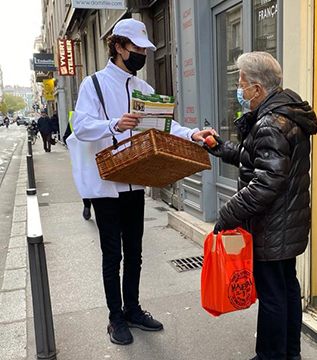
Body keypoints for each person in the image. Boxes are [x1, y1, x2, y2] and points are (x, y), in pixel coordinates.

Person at [69, 18, 215, 346]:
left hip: (136, 181)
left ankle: (133, 309)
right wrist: (114, 125)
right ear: (119, 47)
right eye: (136, 49)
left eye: (144, 50)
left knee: (134, 251)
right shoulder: (92, 85)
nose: (142, 55)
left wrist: (193, 133)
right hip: (106, 184)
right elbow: (80, 127)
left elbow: (165, 126)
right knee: (112, 254)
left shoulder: (143, 89)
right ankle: (114, 317)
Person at [204, 52, 317, 360]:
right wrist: (219, 148)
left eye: (241, 83)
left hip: (273, 224)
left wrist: (227, 215)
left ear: (256, 87)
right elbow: (256, 158)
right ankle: (289, 353)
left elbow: (266, 183)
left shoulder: (270, 121)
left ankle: (271, 356)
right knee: (286, 288)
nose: (239, 89)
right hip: (288, 222)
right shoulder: (286, 111)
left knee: (273, 295)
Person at [62, 117, 93, 220]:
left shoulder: (74, 117)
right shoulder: (74, 117)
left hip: (83, 160)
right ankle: (88, 206)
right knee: (90, 184)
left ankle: (87, 206)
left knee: (86, 184)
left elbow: (65, 138)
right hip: (90, 159)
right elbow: (66, 137)